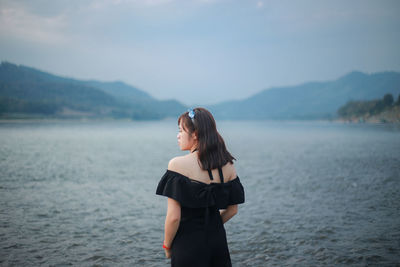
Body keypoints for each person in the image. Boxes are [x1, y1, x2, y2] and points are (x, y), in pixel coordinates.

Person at [156, 107, 245, 267]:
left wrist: (167, 246)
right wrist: (211, 226)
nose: (178, 135)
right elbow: (232, 210)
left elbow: (174, 217)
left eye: (181, 131)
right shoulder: (228, 165)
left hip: (188, 244)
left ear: (195, 134)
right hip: (218, 243)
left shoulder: (177, 164)